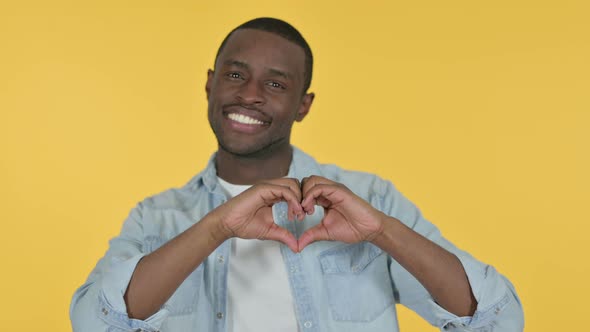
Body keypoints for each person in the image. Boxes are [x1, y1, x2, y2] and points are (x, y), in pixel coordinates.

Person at [70, 17, 524, 332]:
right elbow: (94, 323)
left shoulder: (371, 199)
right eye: (235, 74)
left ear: (303, 105)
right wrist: (215, 228)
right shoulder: (157, 218)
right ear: (210, 84)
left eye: (275, 84)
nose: (249, 95)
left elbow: (493, 319)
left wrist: (382, 232)